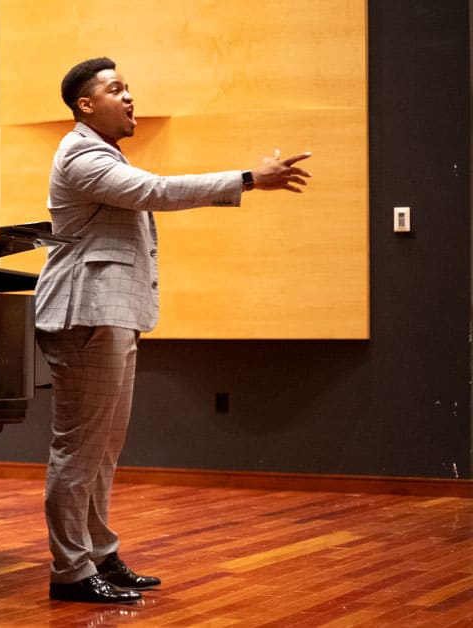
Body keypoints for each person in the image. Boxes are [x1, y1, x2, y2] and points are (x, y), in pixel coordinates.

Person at [34, 57, 311, 605]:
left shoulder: (102, 152)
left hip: (110, 314)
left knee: (104, 447)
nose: (131, 97)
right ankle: (69, 571)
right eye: (117, 89)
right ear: (85, 105)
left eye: (129, 87)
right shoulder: (81, 152)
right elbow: (156, 191)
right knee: (79, 447)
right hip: (86, 314)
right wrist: (249, 179)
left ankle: (98, 553)